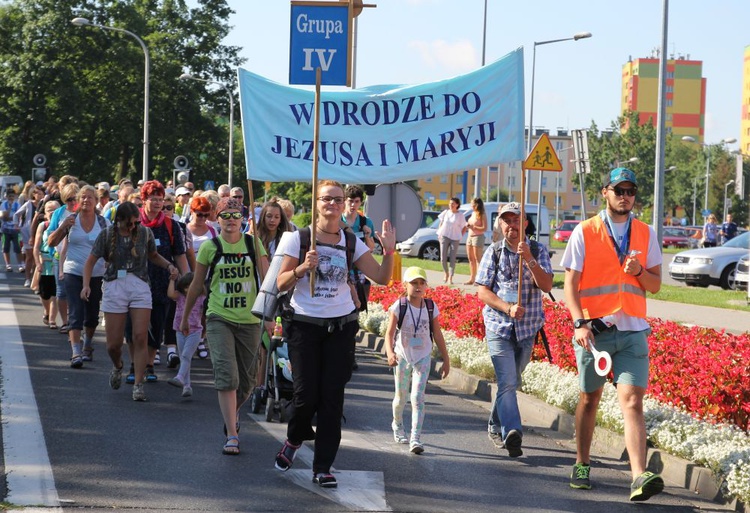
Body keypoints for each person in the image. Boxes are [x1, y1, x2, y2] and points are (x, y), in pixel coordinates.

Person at [272, 180, 396, 489]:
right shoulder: (297, 238)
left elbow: (381, 277)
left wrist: (390, 250)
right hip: (303, 326)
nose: (333, 204)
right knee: (304, 397)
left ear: (344, 204)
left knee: (332, 400)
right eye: (327, 199)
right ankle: (294, 437)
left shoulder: (351, 241)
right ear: (316, 203)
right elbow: (280, 283)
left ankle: (323, 466)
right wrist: (302, 268)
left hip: (340, 326)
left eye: (338, 199)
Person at [561, 167, 664, 501]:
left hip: (633, 331)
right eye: (619, 190)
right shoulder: (585, 231)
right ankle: (581, 462)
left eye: (631, 191)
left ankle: (638, 477)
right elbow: (570, 286)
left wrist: (639, 272)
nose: (625, 197)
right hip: (594, 332)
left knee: (633, 401)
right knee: (589, 399)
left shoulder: (646, 233)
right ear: (605, 192)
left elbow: (656, 285)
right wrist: (579, 323)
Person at [180, 197, 269, 455]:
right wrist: (187, 317)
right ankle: (232, 433)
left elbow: (267, 282)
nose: (231, 219)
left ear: (242, 218)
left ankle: (233, 413)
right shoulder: (210, 247)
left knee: (248, 382)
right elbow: (197, 285)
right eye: (225, 215)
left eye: (235, 214)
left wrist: (271, 318)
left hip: (251, 320)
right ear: (216, 220)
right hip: (219, 317)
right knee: (227, 375)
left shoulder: (254, 244)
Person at [475, 202, 553, 457]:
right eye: (506, 220)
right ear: (500, 225)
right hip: (499, 327)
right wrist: (507, 308)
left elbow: (547, 284)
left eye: (516, 219)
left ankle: (495, 422)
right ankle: (513, 432)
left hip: (527, 329)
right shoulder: (494, 252)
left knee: (512, 381)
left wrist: (528, 259)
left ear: (525, 223)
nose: (511, 225)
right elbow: (482, 291)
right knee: (507, 381)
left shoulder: (538, 250)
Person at [82, 201, 179, 402]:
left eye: (137, 222)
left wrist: (169, 265)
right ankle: (118, 366)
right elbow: (91, 261)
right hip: (114, 285)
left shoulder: (145, 233)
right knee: (113, 345)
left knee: (140, 336)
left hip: (140, 285)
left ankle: (138, 384)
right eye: (130, 223)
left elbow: (153, 255)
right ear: (120, 220)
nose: (134, 226)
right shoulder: (107, 234)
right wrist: (86, 285)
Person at [383, 266, 450, 454]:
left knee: (417, 397)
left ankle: (415, 438)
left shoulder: (430, 307)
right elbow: (389, 334)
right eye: (414, 283)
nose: (418, 287)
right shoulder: (400, 306)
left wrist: (446, 359)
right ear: (406, 285)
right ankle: (397, 424)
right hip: (403, 356)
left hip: (423, 357)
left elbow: (437, 334)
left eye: (422, 283)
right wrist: (390, 353)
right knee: (401, 397)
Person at [47, 185, 109, 368]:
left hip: (97, 274)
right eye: (82, 197)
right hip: (73, 270)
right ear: (78, 201)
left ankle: (87, 344)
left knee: (91, 315)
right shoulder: (70, 220)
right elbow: (51, 242)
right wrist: (63, 227)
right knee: (75, 311)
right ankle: (75, 352)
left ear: (96, 201)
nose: (86, 200)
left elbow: (112, 247)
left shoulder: (104, 223)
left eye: (90, 197)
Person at [136, 181, 189, 382]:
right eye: (154, 199)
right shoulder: (135, 223)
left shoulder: (171, 225)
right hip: (136, 281)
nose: (158, 203)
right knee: (138, 327)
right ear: (144, 200)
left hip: (162, 283)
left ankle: (149, 365)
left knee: (157, 326)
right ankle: (136, 364)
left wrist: (187, 281)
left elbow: (180, 255)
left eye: (161, 200)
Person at [167, 272, 205, 397]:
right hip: (179, 330)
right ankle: (187, 386)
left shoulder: (201, 298)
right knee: (184, 358)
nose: (188, 290)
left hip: (195, 331)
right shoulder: (180, 296)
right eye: (186, 287)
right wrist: (172, 280)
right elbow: (170, 294)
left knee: (186, 355)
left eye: (191, 286)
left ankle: (179, 377)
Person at [33, 200, 60, 329]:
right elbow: (36, 246)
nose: (52, 212)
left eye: (55, 209)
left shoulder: (63, 225)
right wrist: (37, 263)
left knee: (55, 294)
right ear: (45, 212)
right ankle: (47, 311)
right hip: (44, 264)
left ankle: (52, 320)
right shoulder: (43, 225)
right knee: (44, 294)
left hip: (58, 263)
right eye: (49, 209)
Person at [436, 197, 467, 284]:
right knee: (443, 257)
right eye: (450, 203)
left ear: (457, 205)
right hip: (444, 236)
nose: (451, 205)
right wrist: (439, 233)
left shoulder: (460, 215)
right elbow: (441, 223)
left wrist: (460, 236)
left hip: (455, 238)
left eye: (453, 203)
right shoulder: (445, 212)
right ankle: (445, 273)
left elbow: (465, 226)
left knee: (452, 258)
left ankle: (450, 277)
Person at [465, 197, 486, 285]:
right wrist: (468, 225)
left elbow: (484, 228)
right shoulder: (473, 213)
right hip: (470, 236)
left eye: (472, 204)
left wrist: (474, 227)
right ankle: (472, 278)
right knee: (471, 258)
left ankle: (479, 279)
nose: (471, 205)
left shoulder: (482, 214)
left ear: (477, 205)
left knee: (478, 258)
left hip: (478, 237)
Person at [1, 188, 23, 273]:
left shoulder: (17, 205)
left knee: (17, 248)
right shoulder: (3, 204)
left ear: (15, 196)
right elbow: (3, 217)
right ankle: (8, 265)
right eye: (9, 196)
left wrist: (11, 218)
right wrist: (9, 208)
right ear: (6, 196)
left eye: (12, 196)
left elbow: (19, 216)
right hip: (5, 229)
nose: (11, 198)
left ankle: (20, 264)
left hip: (15, 229)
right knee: (5, 248)